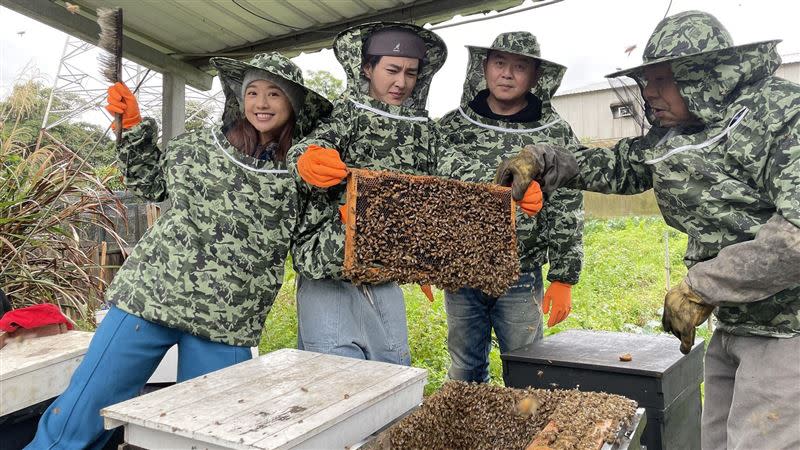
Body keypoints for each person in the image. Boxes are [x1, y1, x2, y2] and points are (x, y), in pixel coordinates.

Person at [496, 11, 800, 449]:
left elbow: (795, 234)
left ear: (703, 78)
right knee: (714, 441)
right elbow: (620, 166)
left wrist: (702, 288)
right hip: (735, 323)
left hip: (788, 331)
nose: (650, 93)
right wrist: (541, 159)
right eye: (647, 81)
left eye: (662, 80)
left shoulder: (783, 115)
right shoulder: (677, 132)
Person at [24, 52, 331, 450]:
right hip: (151, 297)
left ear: (293, 104)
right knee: (83, 413)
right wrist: (132, 127)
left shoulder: (303, 172)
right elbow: (151, 183)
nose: (261, 102)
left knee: (210, 436)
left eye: (275, 94)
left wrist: (346, 202)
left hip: (227, 320)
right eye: (252, 91)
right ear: (239, 98)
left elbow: (313, 245)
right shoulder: (200, 145)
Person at [286, 22, 447, 366]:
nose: (401, 82)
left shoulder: (425, 131)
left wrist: (509, 183)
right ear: (367, 68)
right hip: (329, 273)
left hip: (384, 274)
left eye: (411, 73)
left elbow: (453, 172)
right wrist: (306, 157)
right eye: (391, 70)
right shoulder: (346, 116)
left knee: (390, 376)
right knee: (333, 382)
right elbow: (315, 142)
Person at [436, 32, 583, 383]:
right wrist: (425, 259)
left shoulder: (555, 131)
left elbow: (567, 203)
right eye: (499, 63)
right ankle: (469, 434)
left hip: (521, 270)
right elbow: (434, 190)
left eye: (519, 67)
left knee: (528, 369)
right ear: (484, 68)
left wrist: (564, 276)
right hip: (461, 269)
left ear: (535, 77)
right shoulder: (453, 126)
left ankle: (527, 435)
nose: (507, 73)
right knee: (464, 367)